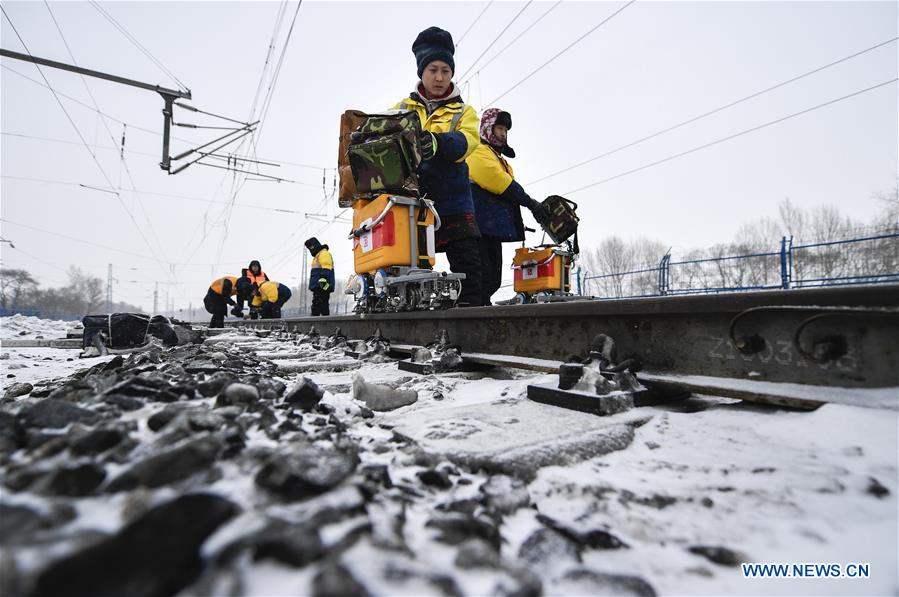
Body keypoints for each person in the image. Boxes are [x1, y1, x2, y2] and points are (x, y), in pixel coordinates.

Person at [390, 26, 483, 307]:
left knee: (470, 273)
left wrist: (438, 143)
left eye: (446, 70)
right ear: (422, 72)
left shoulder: (463, 112)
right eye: (433, 69)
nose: (440, 77)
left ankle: (473, 317)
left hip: (454, 203)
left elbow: (469, 141)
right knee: (412, 274)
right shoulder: (402, 108)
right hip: (413, 206)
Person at [467, 108, 549, 305]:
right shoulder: (478, 152)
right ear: (488, 128)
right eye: (499, 128)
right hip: (478, 228)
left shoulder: (496, 157)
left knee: (492, 279)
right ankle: (475, 314)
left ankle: (480, 311)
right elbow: (500, 182)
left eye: (505, 129)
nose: (503, 133)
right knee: (482, 277)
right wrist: (530, 203)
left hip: (489, 229)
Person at [305, 237, 334, 316]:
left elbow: (327, 266)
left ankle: (319, 323)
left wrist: (323, 279)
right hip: (319, 285)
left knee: (319, 304)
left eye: (311, 247)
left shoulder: (323, 254)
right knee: (321, 304)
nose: (311, 249)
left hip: (322, 285)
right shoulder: (318, 255)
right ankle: (321, 322)